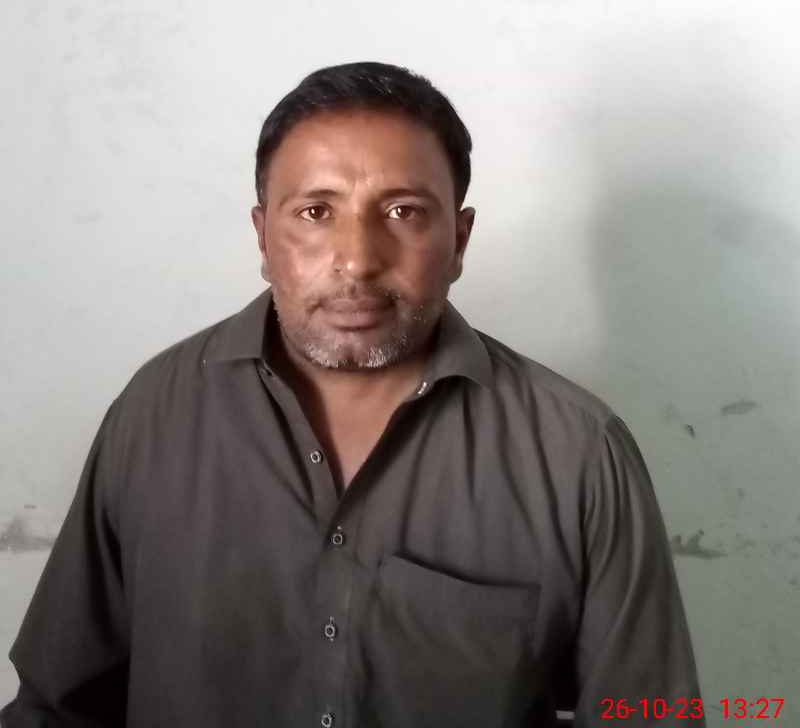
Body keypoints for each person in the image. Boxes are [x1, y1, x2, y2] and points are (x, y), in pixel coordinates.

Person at [1, 61, 706, 727]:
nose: (358, 261)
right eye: (315, 212)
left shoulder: (578, 453)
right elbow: (57, 708)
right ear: (263, 237)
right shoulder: (156, 413)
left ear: (459, 240)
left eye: (403, 211)